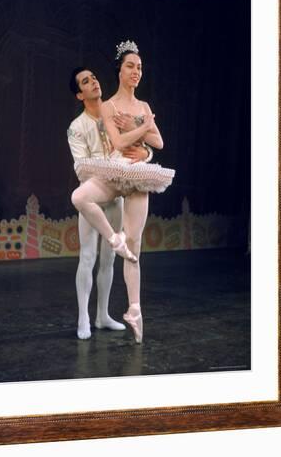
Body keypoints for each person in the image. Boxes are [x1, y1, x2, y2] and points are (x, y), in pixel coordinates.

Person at [71, 41, 175, 344]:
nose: (136, 71)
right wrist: (143, 128)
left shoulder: (142, 107)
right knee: (81, 204)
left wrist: (142, 139)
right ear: (119, 70)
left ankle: (134, 309)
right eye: (130, 66)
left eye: (140, 67)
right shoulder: (108, 106)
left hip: (137, 177)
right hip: (111, 173)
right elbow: (119, 143)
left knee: (135, 246)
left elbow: (159, 143)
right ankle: (85, 316)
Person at [68, 66, 153, 340]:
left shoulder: (113, 112)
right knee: (88, 257)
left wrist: (146, 152)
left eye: (94, 77)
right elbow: (81, 169)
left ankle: (102, 315)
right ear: (80, 95)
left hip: (115, 196)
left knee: (109, 261)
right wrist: (110, 171)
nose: (93, 82)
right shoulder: (77, 127)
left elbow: (136, 143)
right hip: (93, 194)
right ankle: (84, 317)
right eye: (85, 82)